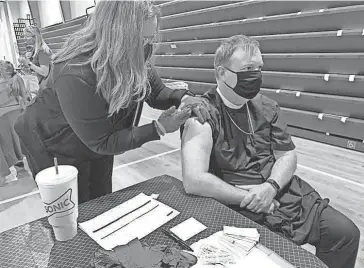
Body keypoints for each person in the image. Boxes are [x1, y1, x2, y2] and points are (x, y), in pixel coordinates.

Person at [181, 35, 360, 268]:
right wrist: (250, 197)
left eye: (258, 68)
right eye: (247, 68)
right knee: (275, 258)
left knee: (345, 234)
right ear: (221, 73)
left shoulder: (266, 106)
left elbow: (287, 154)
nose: (255, 74)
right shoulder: (203, 113)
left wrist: (270, 187)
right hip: (237, 202)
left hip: (281, 191)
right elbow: (194, 180)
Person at [15, 1, 214, 203]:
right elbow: (102, 142)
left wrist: (184, 97)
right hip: (52, 142)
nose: (147, 44)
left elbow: (156, 92)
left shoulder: (137, 52)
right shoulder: (75, 70)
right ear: (118, 35)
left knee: (101, 199)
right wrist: (159, 128)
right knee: (74, 209)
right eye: (142, 38)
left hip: (96, 135)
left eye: (151, 37)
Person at [0, 61, 31, 185]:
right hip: (18, 113)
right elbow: (25, 97)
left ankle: (14, 172)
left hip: (3, 118)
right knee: (21, 143)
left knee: (8, 146)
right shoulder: (18, 79)